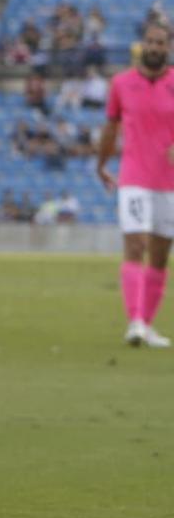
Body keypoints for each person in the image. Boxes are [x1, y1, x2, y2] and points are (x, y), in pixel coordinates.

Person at [95, 19, 174, 348]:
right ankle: (135, 322)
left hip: (169, 182)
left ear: (168, 47)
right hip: (134, 177)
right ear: (142, 44)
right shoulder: (122, 83)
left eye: (161, 43)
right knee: (136, 245)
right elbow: (110, 127)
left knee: (159, 255)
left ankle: (147, 323)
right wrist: (101, 164)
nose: (155, 48)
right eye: (150, 42)